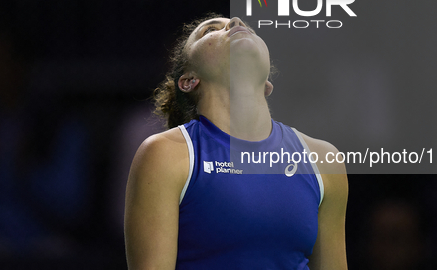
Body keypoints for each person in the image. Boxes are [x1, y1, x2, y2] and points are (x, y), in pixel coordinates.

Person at [124, 14, 348, 269]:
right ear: (188, 81)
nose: (236, 22)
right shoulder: (165, 154)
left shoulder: (322, 160)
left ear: (267, 84)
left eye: (246, 27)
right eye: (210, 30)